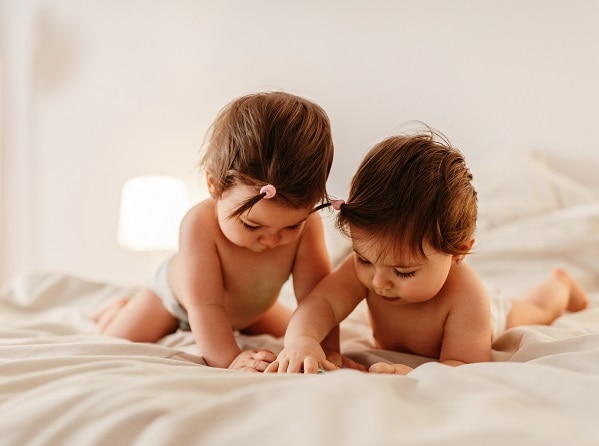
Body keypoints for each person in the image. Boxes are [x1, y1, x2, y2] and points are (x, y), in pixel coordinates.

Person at [266, 127, 589, 375]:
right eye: (364, 259)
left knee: (534, 309)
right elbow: (321, 303)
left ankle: (560, 285)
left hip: (495, 312)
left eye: (404, 271)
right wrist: (302, 341)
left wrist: (407, 372)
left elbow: (463, 366)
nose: (379, 282)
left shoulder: (467, 297)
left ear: (458, 252)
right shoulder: (369, 270)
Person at [96, 91, 347, 372]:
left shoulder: (308, 225)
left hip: (252, 310)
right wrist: (231, 359)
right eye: (252, 225)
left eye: (291, 226)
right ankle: (116, 309)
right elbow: (206, 307)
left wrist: (328, 352)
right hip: (178, 302)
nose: (272, 239)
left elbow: (317, 299)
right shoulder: (199, 225)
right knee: (113, 339)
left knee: (301, 328)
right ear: (214, 185)